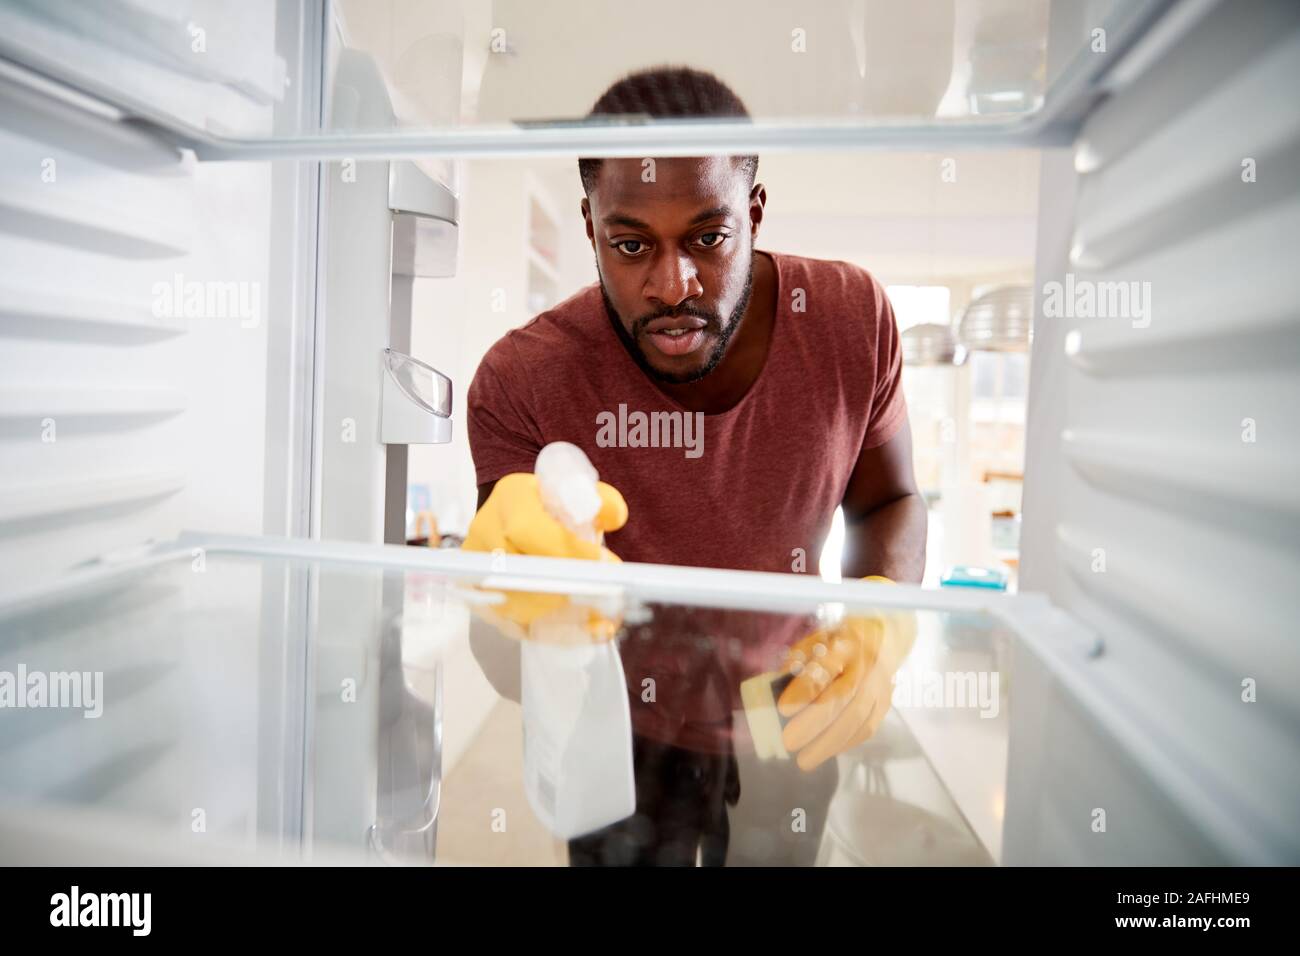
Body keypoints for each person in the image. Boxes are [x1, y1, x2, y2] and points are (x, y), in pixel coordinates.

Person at [463, 66, 925, 865]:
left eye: (708, 238)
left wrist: (884, 612)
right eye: (631, 244)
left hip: (789, 707)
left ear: (753, 212)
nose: (672, 285)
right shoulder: (522, 377)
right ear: (589, 227)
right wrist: (515, 612)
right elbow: (507, 644)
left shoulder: (852, 320)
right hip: (622, 727)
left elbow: (893, 500)